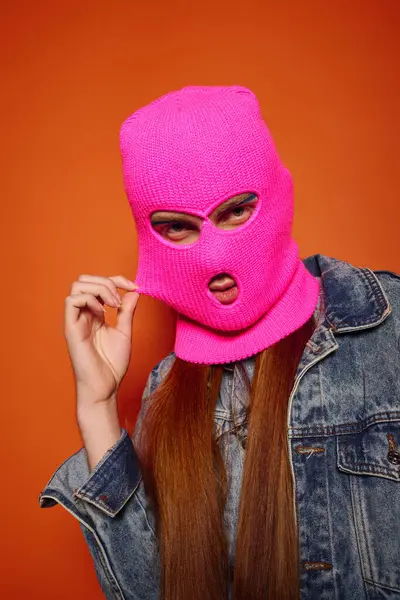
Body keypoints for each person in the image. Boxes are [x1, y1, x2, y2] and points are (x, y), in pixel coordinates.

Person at [38, 86, 400, 600]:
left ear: (276, 193)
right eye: (177, 228)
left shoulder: (389, 326)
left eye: (235, 211)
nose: (213, 256)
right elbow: (153, 590)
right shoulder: (171, 389)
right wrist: (96, 405)